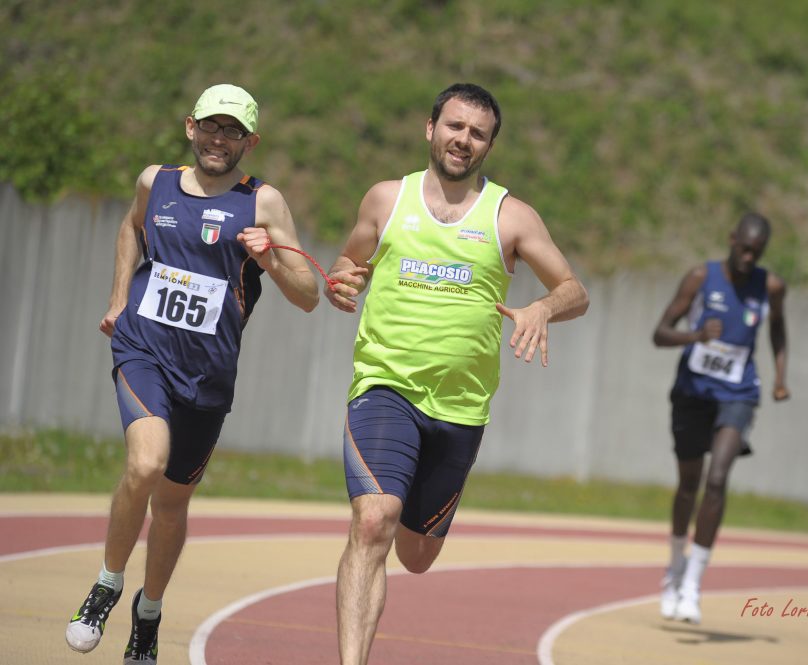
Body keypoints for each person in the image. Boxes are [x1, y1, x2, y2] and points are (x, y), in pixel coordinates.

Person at [324, 82, 589, 665]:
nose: (463, 139)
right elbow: (349, 260)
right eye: (454, 126)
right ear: (431, 128)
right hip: (385, 387)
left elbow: (575, 290)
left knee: (416, 556)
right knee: (373, 522)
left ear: (489, 145)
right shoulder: (386, 199)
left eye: (477, 133)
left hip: (461, 409)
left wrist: (543, 308)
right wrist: (344, 280)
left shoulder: (510, 216)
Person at [65, 83, 319, 663]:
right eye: (210, 126)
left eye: (232, 131)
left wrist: (270, 259)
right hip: (144, 350)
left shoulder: (263, 203)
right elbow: (130, 228)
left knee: (172, 505)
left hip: (207, 376)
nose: (218, 139)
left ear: (250, 142)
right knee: (145, 463)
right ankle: (107, 583)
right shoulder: (154, 183)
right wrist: (118, 300)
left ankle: (148, 612)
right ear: (190, 127)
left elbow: (308, 294)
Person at [652, 212, 790, 624]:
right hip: (693, 392)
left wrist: (780, 377)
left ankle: (693, 585)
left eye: (757, 252)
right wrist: (695, 335)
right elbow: (660, 333)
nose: (749, 258)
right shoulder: (700, 278)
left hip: (738, 393)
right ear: (732, 239)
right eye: (744, 249)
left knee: (717, 479)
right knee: (689, 485)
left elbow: (778, 330)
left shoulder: (771, 287)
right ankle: (675, 569)